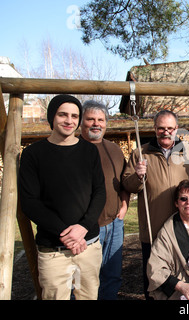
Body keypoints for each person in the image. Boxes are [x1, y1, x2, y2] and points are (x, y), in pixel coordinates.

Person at [18, 94, 106, 300]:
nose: (69, 120)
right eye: (63, 115)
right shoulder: (33, 154)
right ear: (52, 117)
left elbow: (100, 192)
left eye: (74, 116)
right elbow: (30, 202)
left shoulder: (89, 151)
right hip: (53, 249)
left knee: (89, 296)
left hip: (88, 244)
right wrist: (67, 235)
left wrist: (83, 227)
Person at [122, 110, 189, 299]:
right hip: (153, 226)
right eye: (161, 128)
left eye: (170, 128)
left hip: (183, 227)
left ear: (176, 129)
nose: (165, 132)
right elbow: (128, 185)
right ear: (154, 128)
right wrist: (138, 176)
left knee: (185, 272)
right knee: (154, 276)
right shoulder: (140, 153)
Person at [80, 100, 130, 300]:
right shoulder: (73, 149)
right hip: (86, 227)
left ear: (106, 123)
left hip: (115, 223)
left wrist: (125, 204)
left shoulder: (115, 150)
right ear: (81, 122)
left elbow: (125, 182)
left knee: (112, 275)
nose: (96, 123)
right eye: (90, 119)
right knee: (85, 279)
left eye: (100, 119)